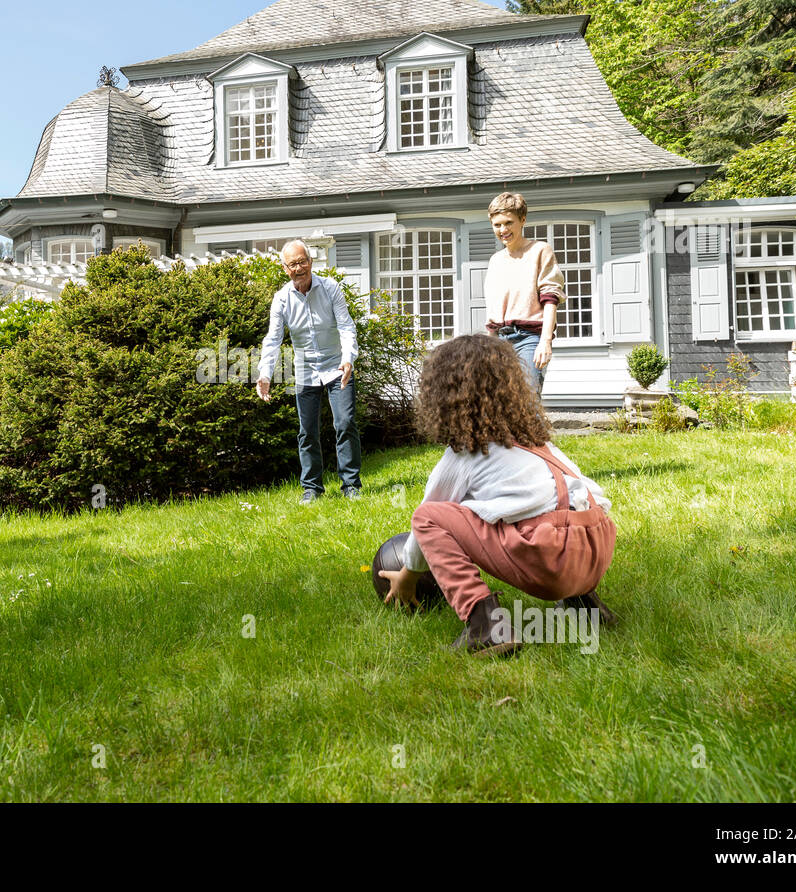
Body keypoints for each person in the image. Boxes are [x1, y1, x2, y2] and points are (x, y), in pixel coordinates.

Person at [376, 335, 617, 657]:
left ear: (443, 397)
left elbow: (426, 525)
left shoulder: (464, 455)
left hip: (553, 560)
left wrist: (407, 576)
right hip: (596, 547)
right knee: (557, 508)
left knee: (428, 517)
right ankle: (586, 605)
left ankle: (486, 624)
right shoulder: (537, 445)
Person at [255, 240, 361, 504]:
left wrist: (349, 358)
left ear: (311, 262)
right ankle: (312, 488)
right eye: (293, 264)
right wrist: (265, 374)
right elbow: (273, 339)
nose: (299, 268)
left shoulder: (330, 288)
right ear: (285, 268)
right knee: (307, 431)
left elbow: (346, 326)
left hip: (338, 367)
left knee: (345, 423)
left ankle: (350, 486)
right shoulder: (281, 299)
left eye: (303, 261)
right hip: (305, 371)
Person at [483, 192, 565, 394]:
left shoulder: (540, 251)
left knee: (528, 402)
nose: (503, 230)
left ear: (522, 220)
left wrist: (545, 342)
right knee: (499, 403)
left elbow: (550, 299)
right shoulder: (495, 261)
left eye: (509, 223)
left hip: (529, 339)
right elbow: (493, 310)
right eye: (497, 225)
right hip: (499, 340)